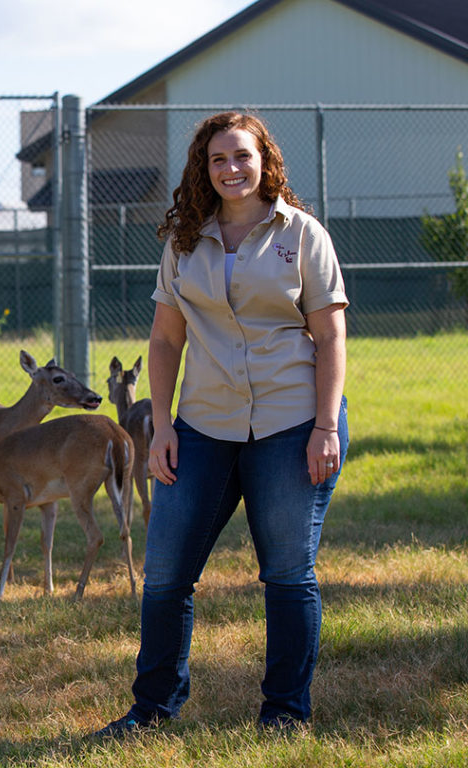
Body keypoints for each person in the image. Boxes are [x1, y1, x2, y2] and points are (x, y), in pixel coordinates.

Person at [93, 111, 349, 736]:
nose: (231, 169)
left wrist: (325, 426)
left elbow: (332, 333)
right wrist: (163, 426)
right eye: (217, 160)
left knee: (287, 573)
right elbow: (163, 339)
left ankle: (285, 714)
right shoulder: (184, 241)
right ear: (202, 170)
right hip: (204, 425)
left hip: (293, 422)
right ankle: (152, 709)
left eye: (242, 156)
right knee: (166, 574)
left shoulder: (303, 235)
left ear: (265, 161)